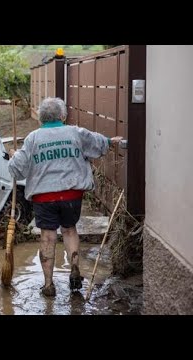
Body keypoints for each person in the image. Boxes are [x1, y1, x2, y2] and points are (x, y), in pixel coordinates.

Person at [8, 97, 122, 297]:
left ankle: (48, 284)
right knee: (69, 230)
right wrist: (110, 142)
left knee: (48, 236)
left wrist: (13, 156)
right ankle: (74, 268)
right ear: (62, 116)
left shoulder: (32, 139)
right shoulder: (75, 133)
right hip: (72, 194)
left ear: (41, 118)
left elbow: (17, 170)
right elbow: (98, 143)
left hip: (44, 197)